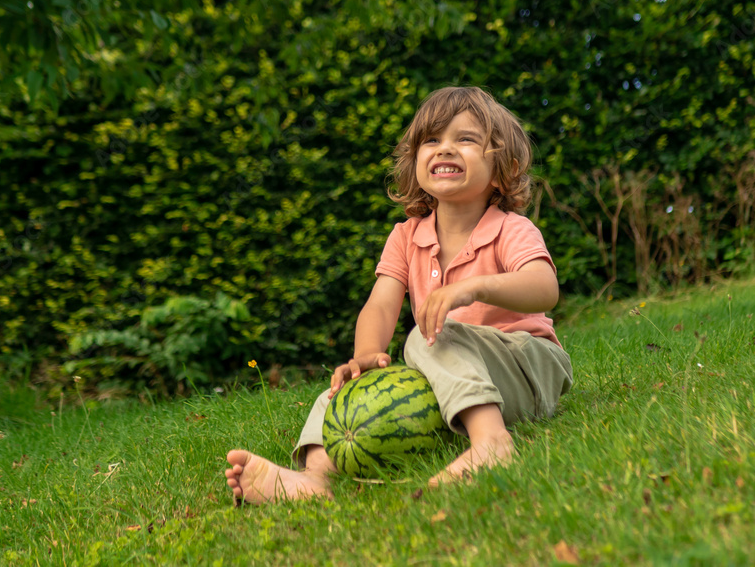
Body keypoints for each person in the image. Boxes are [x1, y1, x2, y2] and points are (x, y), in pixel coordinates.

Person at [225, 86, 573, 503]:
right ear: (415, 164)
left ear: (503, 169)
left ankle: (492, 443)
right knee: (344, 393)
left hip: (527, 368)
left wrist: (473, 287)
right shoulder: (406, 237)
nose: (445, 149)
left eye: (464, 139)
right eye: (432, 140)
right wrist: (366, 357)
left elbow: (544, 288)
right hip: (455, 379)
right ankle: (315, 478)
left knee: (428, 337)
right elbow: (381, 303)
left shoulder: (510, 228)